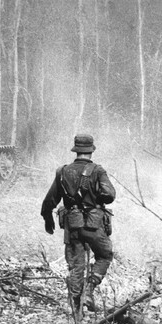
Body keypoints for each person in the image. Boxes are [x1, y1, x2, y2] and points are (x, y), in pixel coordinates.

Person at [41, 134, 116, 314]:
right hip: (93, 225)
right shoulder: (98, 171)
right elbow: (110, 195)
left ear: (76, 150)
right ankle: (88, 292)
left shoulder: (63, 172)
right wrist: (95, 197)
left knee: (76, 266)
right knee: (105, 255)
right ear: (91, 151)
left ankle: (76, 308)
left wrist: (47, 218)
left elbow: (49, 201)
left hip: (73, 225)